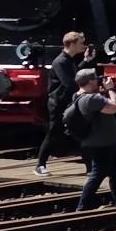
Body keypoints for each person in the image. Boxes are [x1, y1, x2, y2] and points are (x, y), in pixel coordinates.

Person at [70, 68, 116, 210]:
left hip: (104, 141)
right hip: (101, 142)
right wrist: (110, 90)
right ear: (89, 82)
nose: (98, 80)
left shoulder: (78, 95)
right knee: (98, 173)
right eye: (96, 79)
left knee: (115, 171)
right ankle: (83, 206)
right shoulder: (92, 98)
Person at [34, 30, 89, 174]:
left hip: (67, 101)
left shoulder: (69, 60)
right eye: (80, 43)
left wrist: (86, 61)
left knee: (79, 131)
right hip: (58, 102)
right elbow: (69, 83)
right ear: (71, 44)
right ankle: (40, 165)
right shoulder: (60, 62)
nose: (83, 46)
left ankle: (90, 166)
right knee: (54, 133)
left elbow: (75, 75)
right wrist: (85, 89)